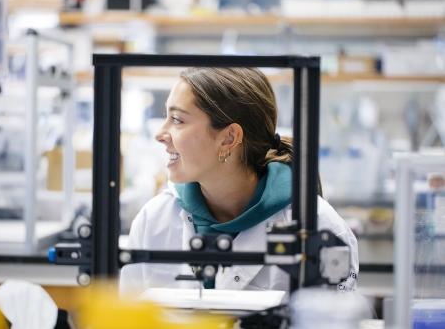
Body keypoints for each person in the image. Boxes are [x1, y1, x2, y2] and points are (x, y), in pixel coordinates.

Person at [119, 67, 358, 295]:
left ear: (229, 137)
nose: (160, 134)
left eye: (178, 120)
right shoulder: (154, 220)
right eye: (166, 116)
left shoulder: (319, 226)